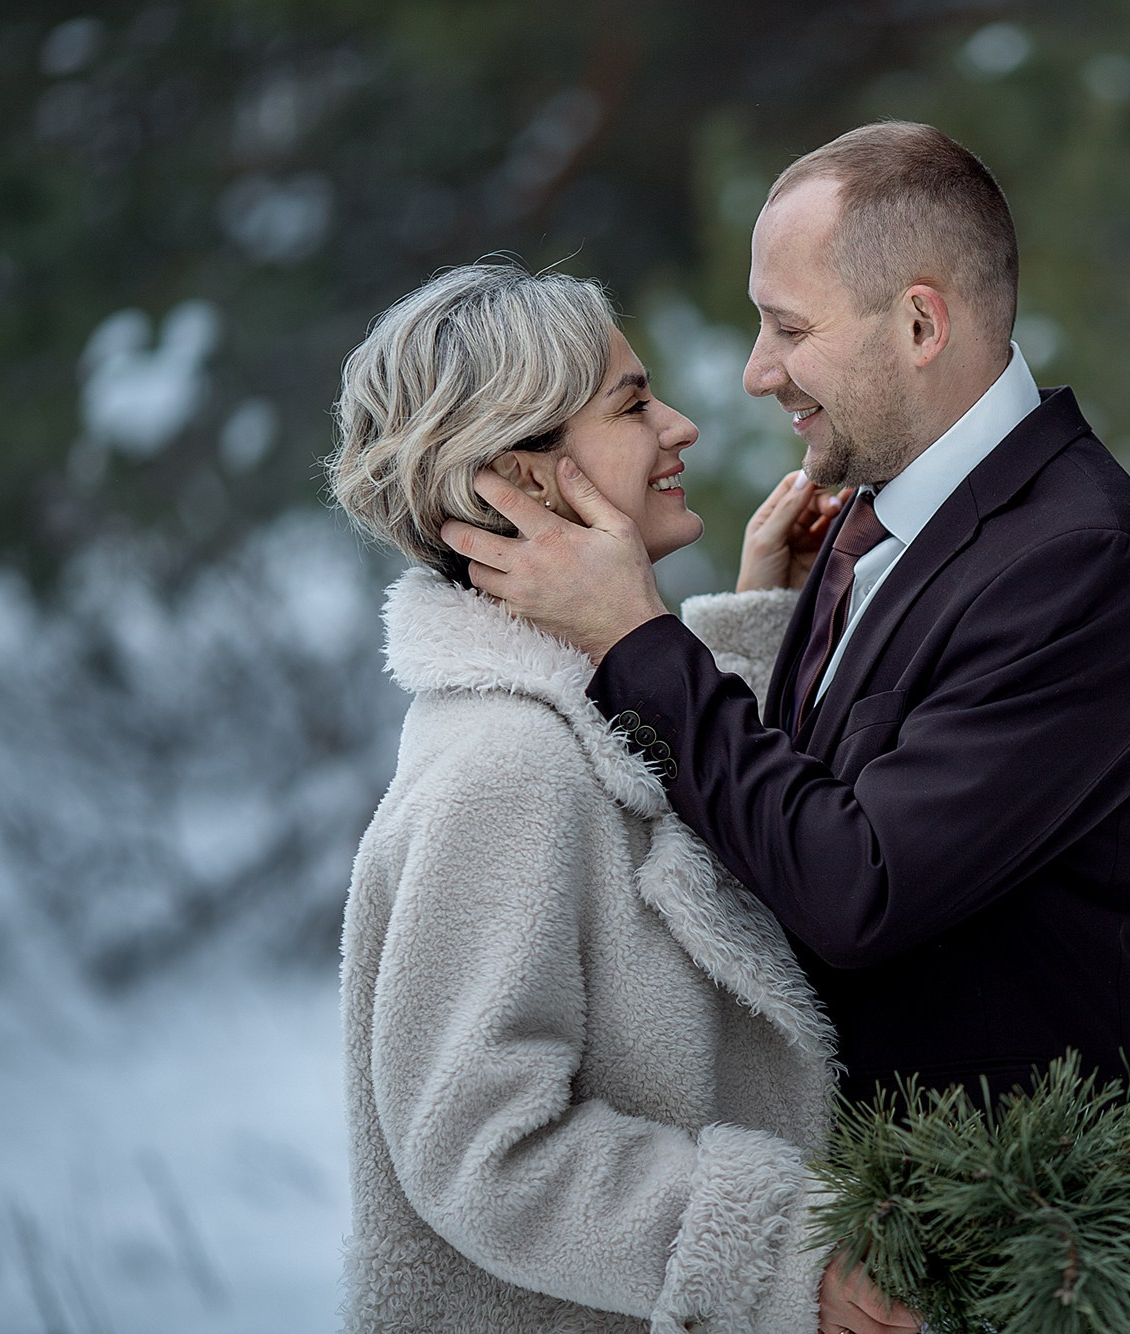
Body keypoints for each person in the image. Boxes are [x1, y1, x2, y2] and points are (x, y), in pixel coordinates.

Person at [442, 122, 1130, 1114]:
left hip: (1016, 1237)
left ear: (920, 327)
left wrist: (635, 638)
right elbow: (777, 815)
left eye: (790, 330)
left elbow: (857, 884)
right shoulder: (866, 519)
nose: (756, 372)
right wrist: (768, 619)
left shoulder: (1079, 560)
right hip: (856, 1223)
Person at [328, 263, 916, 1333]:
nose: (681, 424)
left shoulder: (558, 726)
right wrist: (787, 1252)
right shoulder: (502, 767)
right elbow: (480, 1146)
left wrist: (749, 629)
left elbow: (654, 811)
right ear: (526, 478)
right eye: (633, 403)